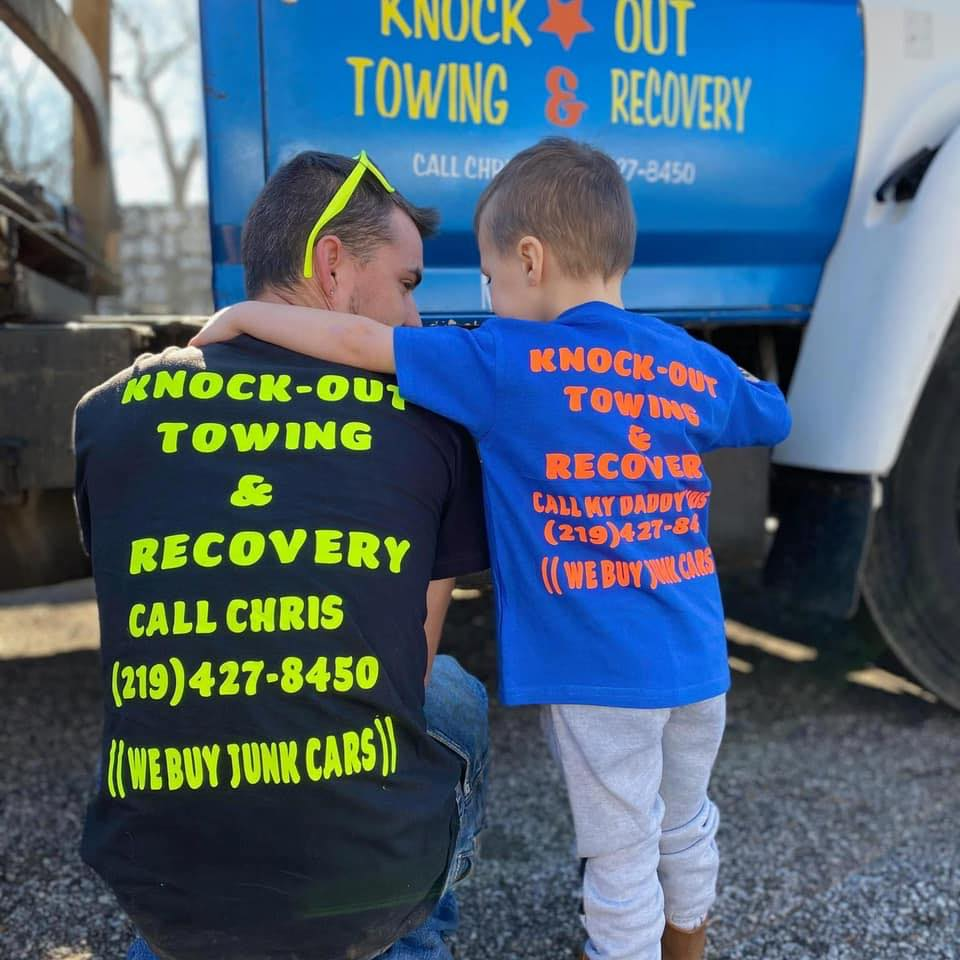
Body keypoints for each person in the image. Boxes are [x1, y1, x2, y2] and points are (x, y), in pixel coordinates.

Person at [192, 137, 793, 960]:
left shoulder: (506, 359)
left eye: (489, 277)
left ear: (530, 260)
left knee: (619, 857)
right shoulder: (682, 361)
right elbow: (769, 411)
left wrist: (240, 318)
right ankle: (689, 946)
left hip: (601, 673)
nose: (488, 298)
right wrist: (698, 372)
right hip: (697, 659)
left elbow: (359, 346)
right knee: (685, 822)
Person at [73, 150, 490, 960]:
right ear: (332, 265)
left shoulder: (111, 411)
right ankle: (404, 936)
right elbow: (409, 671)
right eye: (406, 284)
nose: (413, 320)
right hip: (360, 890)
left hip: (158, 889)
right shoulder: (428, 421)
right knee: (451, 691)